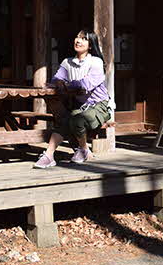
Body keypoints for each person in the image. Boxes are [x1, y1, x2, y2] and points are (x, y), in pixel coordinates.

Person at [34, 29, 111, 167]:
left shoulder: (96, 62)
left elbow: (86, 85)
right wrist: (59, 82)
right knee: (64, 121)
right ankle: (49, 155)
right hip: (79, 107)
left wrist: (66, 84)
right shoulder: (67, 62)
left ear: (91, 45)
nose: (78, 40)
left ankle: (83, 150)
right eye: (77, 37)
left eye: (83, 38)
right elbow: (56, 79)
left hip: (99, 106)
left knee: (76, 120)